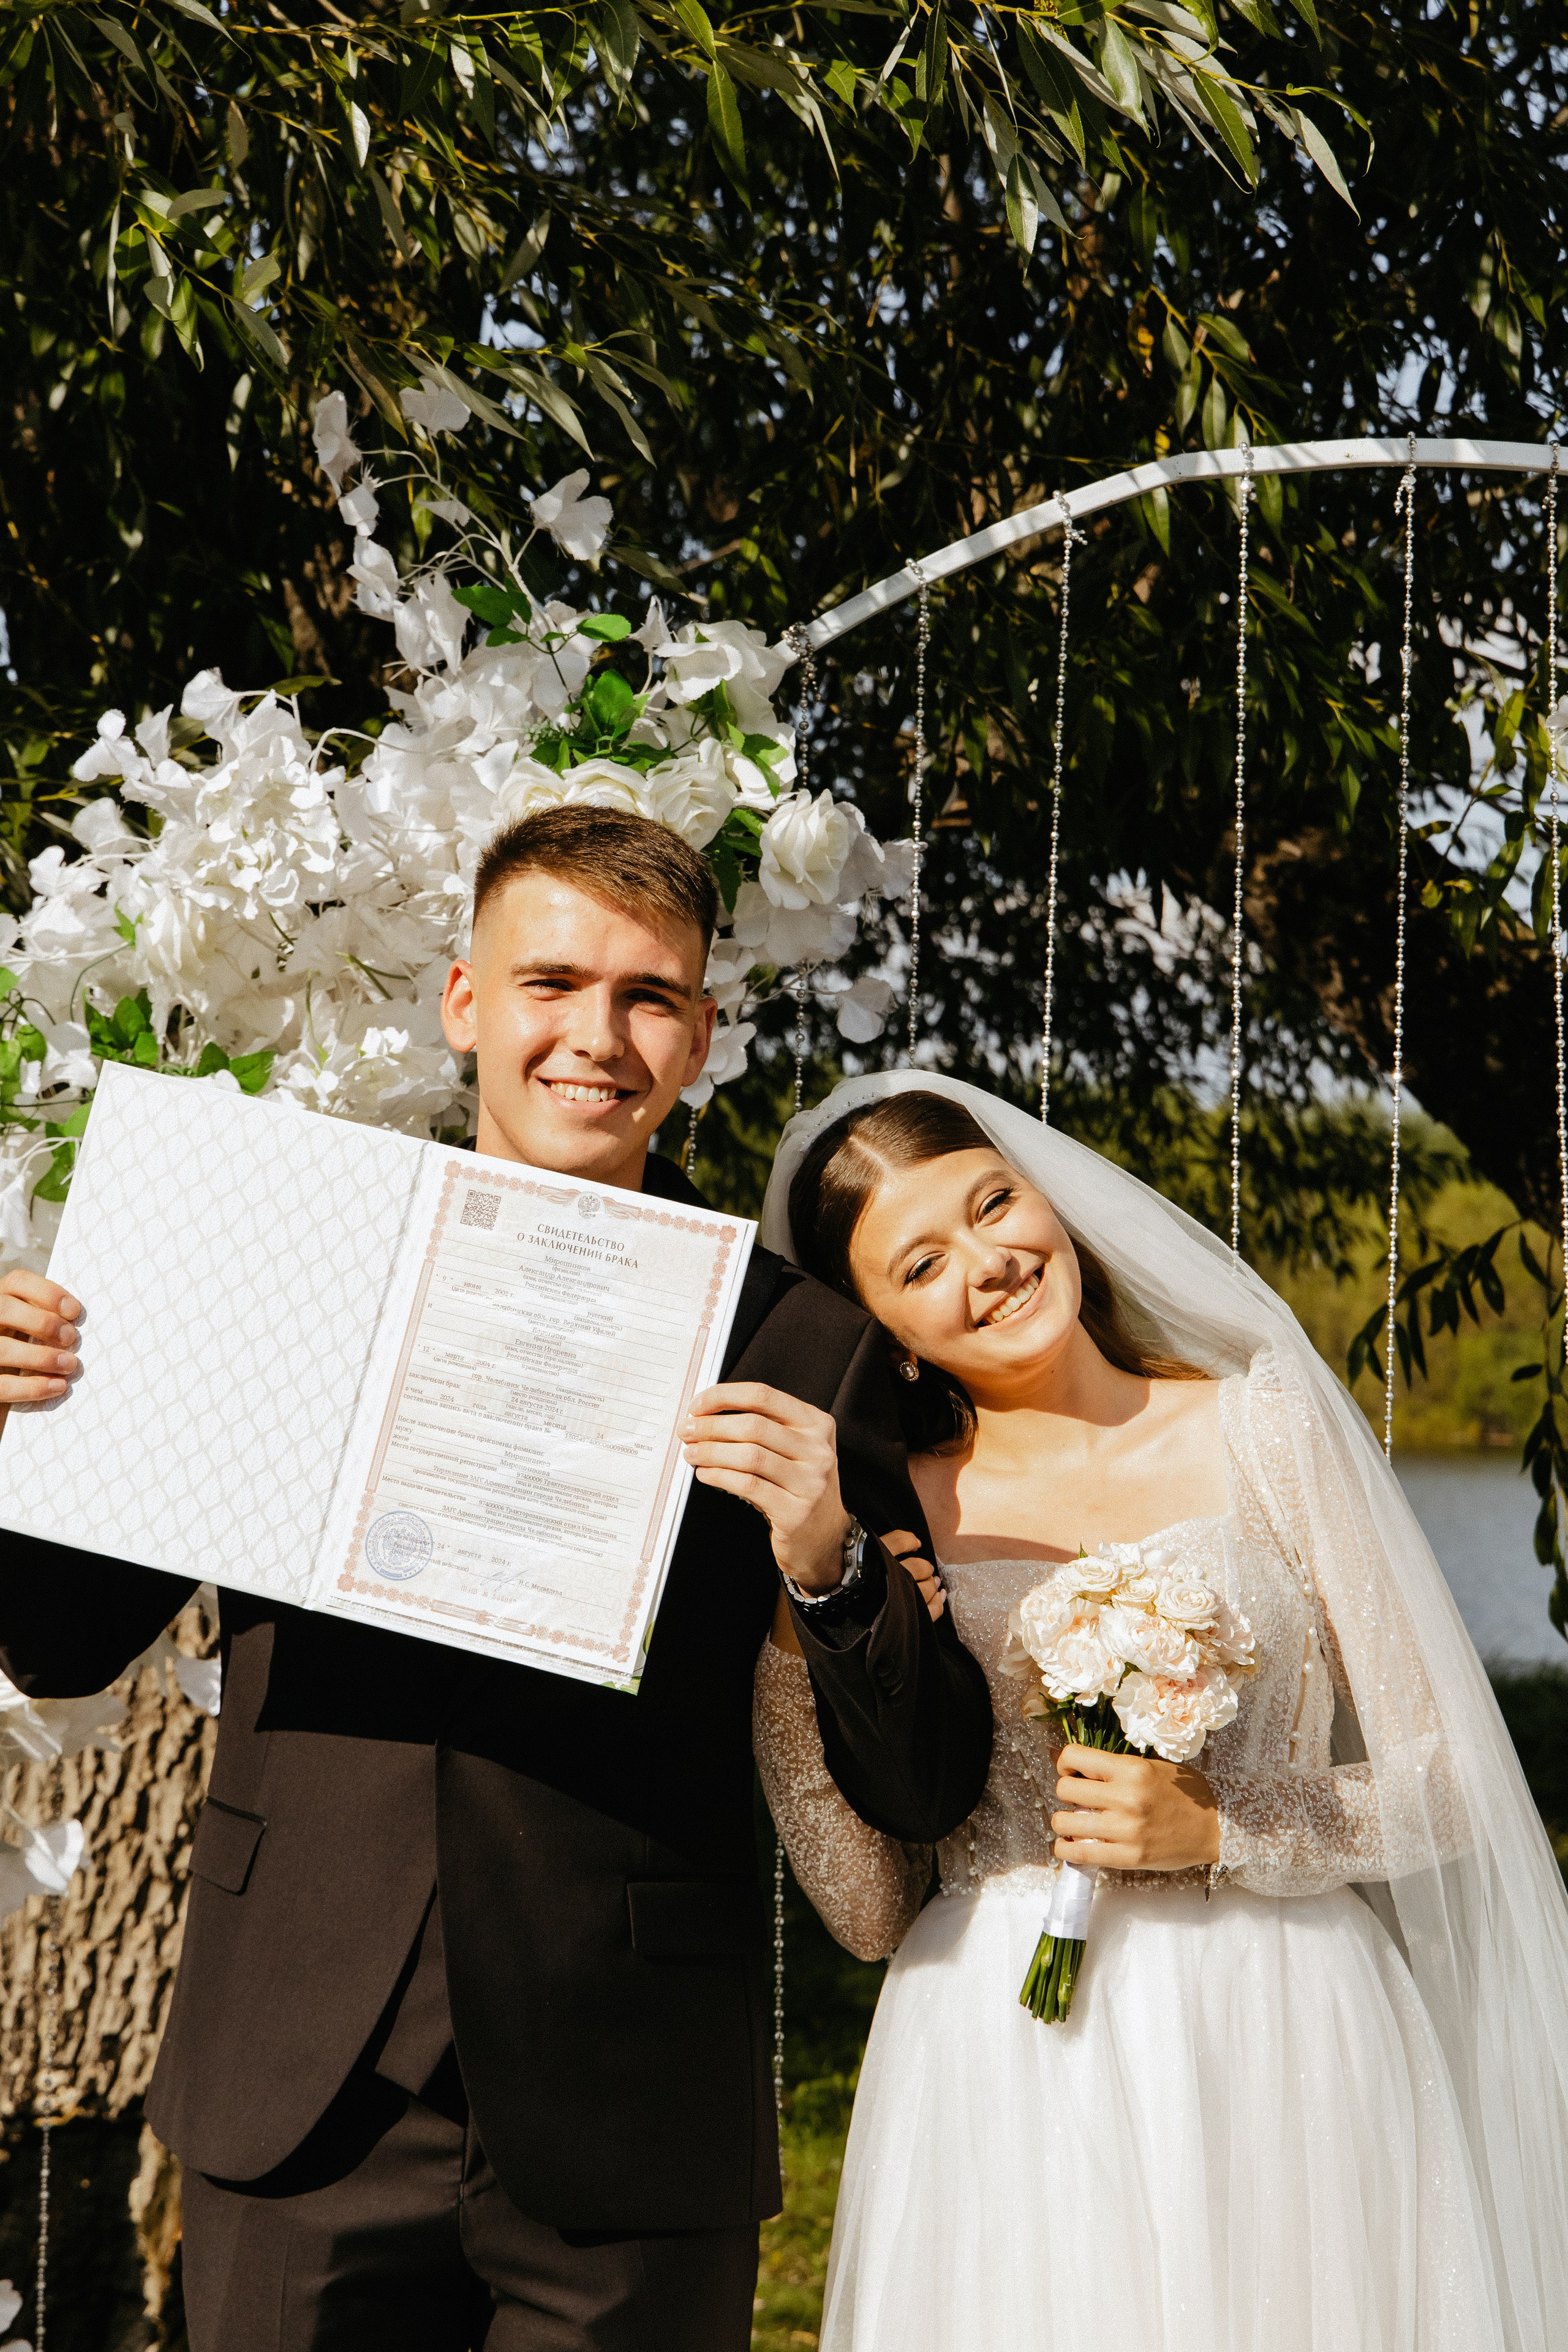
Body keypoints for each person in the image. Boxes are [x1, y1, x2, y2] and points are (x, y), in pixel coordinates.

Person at [0, 810, 992, 2352]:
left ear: (701, 1036)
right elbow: (57, 1646)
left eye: (648, 997)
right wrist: (21, 1425)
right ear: (465, 1000)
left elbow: (923, 1786)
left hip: (628, 2105)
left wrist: (832, 1561)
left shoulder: (799, 1343)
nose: (596, 1036)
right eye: (552, 983)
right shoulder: (285, 1261)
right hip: (296, 2081)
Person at [752, 1072, 1568, 2352]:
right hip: (1006, 2064)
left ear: (1050, 1202)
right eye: (921, 1263)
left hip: (1283, 2026)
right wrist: (815, 1609)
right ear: (888, 1332)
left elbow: (1451, 1784)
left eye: (991, 1205)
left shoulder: (1265, 1431)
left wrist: (1220, 1823)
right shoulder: (872, 1523)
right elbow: (864, 1911)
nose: (989, 1263)